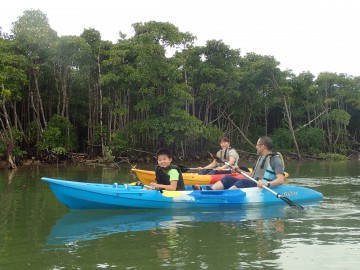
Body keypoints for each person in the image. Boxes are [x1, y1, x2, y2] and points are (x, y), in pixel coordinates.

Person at [208, 136, 285, 190]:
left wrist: (267, 184)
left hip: (263, 187)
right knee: (227, 179)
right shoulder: (260, 158)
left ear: (263, 146)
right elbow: (253, 175)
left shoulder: (275, 160)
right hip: (254, 182)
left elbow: (281, 180)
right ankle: (210, 191)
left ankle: (226, 195)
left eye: (257, 145)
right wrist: (240, 171)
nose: (256, 147)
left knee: (243, 182)